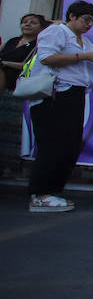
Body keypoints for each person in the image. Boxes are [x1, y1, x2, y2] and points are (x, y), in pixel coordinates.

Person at [26, 0, 93, 212]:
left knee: (70, 145)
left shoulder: (87, 42)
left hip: (76, 94)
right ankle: (40, 193)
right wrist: (85, 56)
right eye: (86, 20)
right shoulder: (56, 32)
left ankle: (54, 190)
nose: (89, 25)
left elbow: (86, 73)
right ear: (72, 16)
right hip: (55, 94)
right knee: (52, 145)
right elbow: (47, 58)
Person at [1, 13, 48, 178]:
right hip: (4, 90)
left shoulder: (40, 45)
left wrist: (5, 64)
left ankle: (14, 166)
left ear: (41, 28)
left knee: (17, 131)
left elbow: (33, 66)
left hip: (22, 90)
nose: (27, 25)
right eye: (24, 22)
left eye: (33, 22)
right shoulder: (12, 42)